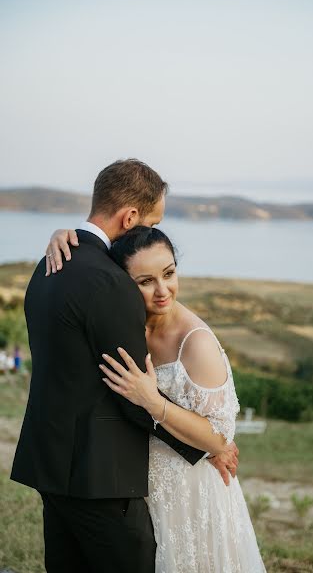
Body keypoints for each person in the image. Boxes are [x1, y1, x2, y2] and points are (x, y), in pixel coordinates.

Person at [11, 159, 238, 573]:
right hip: (100, 476)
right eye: (150, 223)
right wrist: (210, 446)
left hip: (51, 462)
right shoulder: (109, 282)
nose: (149, 234)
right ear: (129, 217)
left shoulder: (50, 264)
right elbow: (132, 391)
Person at [48, 224, 266, 572]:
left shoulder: (196, 342)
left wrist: (156, 403)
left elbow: (220, 439)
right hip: (142, 485)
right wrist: (62, 236)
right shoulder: (128, 323)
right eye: (145, 281)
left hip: (192, 490)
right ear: (121, 283)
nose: (162, 290)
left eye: (169, 274)